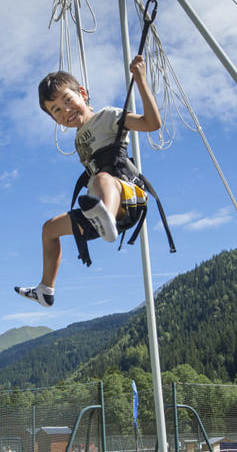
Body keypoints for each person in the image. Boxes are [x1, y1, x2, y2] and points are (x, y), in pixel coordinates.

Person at [14, 54, 161, 307]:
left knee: (102, 177)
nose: (66, 111)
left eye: (68, 101)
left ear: (83, 93)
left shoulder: (108, 116)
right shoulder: (78, 138)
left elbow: (152, 123)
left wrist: (140, 81)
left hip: (126, 194)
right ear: (54, 120)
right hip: (100, 208)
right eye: (56, 111)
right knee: (49, 229)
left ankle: (107, 215)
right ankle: (45, 290)